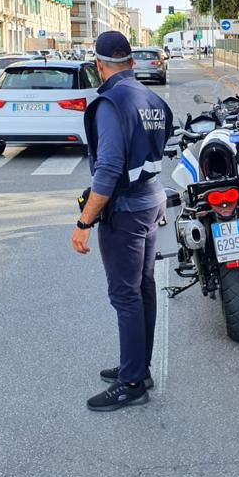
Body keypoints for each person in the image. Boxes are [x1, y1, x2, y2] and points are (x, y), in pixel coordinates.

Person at [72, 31, 174, 412]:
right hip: (152, 201)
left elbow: (110, 168)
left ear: (100, 65)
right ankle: (138, 367)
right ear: (131, 61)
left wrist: (85, 223)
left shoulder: (110, 103)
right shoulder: (154, 99)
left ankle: (132, 382)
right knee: (142, 287)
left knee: (125, 294)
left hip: (127, 211)